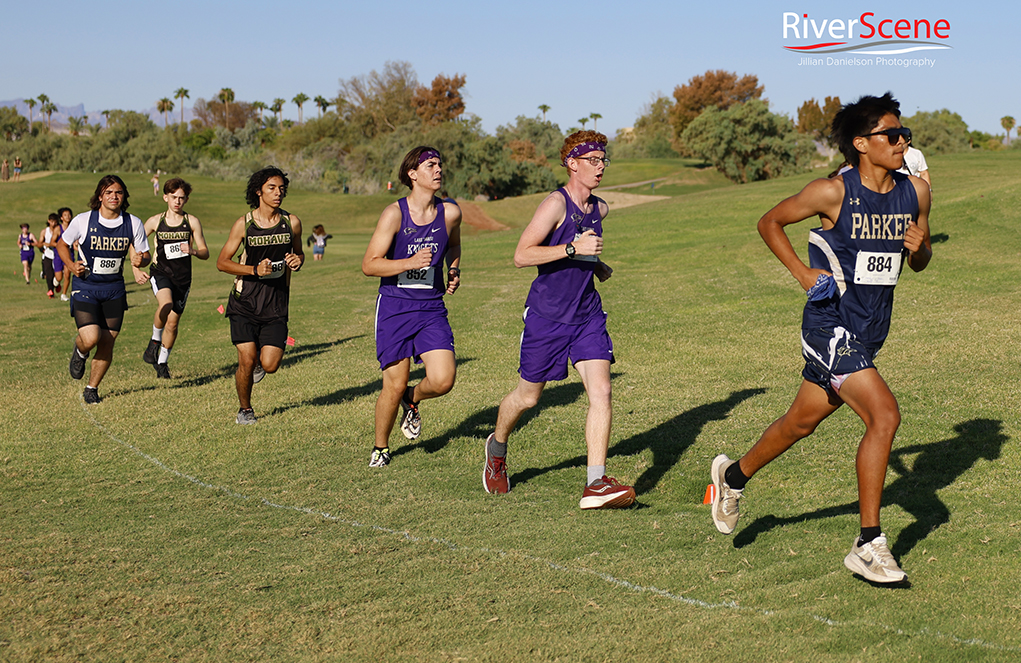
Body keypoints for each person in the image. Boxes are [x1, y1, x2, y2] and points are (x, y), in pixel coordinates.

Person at [709, 93, 932, 584]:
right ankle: (868, 544)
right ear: (861, 143)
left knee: (799, 424)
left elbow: (917, 260)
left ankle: (732, 478)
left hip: (871, 331)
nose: (902, 142)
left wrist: (921, 248)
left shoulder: (915, 192)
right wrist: (801, 273)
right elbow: (770, 222)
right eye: (891, 135)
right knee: (885, 415)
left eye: (904, 134)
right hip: (829, 326)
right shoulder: (832, 192)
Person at [483, 131, 635, 510]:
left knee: (601, 393)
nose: (600, 167)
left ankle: (595, 483)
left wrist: (594, 264)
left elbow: (581, 250)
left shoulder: (600, 210)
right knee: (528, 397)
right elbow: (522, 255)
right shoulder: (555, 203)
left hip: (586, 315)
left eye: (604, 160)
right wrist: (572, 248)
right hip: (547, 318)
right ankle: (497, 448)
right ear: (572, 163)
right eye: (592, 161)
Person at [361, 146, 462, 468]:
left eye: (440, 164)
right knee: (394, 383)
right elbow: (370, 265)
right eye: (431, 165)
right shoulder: (394, 214)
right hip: (395, 308)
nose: (438, 170)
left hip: (431, 308)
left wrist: (454, 269)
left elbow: (455, 242)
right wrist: (409, 262)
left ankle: (413, 398)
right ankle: (380, 447)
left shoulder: (450, 212)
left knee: (444, 380)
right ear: (412, 173)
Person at [216, 167, 304, 424]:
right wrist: (254, 269)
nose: (279, 193)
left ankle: (256, 365)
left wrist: (297, 260)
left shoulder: (292, 222)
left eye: (281, 188)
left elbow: (299, 254)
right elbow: (222, 262)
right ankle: (245, 409)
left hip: (276, 305)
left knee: (270, 364)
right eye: (272, 188)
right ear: (258, 192)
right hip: (244, 302)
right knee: (246, 358)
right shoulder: (244, 224)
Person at [59, 175, 151, 404]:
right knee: (90, 337)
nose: (114, 196)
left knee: (108, 341)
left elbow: (145, 255)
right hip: (86, 286)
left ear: (124, 196)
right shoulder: (83, 220)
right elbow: (62, 244)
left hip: (114, 289)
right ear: (100, 196)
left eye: (118, 192)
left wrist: (142, 260)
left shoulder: (133, 223)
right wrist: (71, 265)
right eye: (108, 192)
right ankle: (80, 351)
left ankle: (92, 388)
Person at [134, 178, 209, 379]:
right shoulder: (155, 221)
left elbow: (205, 252)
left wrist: (192, 250)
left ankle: (162, 363)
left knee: (173, 324)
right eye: (173, 197)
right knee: (165, 304)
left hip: (183, 279)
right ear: (165, 197)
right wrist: (136, 264)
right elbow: (135, 239)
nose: (177, 201)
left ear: (186, 200)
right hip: (161, 273)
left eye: (181, 198)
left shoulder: (191, 222)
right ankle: (153, 343)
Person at [39, 213, 61, 298]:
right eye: (51, 222)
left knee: (58, 274)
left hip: (58, 255)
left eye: (55, 222)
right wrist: (43, 248)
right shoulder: (45, 231)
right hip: (47, 255)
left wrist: (51, 244)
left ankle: (56, 284)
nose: (53, 224)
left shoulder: (59, 230)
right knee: (49, 274)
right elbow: (40, 243)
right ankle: (50, 291)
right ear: (49, 221)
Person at [56, 207, 74, 301]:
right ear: (61, 218)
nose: (68, 217)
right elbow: (52, 242)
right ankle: (57, 281)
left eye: (69, 215)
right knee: (59, 277)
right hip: (59, 254)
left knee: (67, 274)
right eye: (65, 215)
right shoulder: (58, 229)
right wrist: (61, 246)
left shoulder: (73, 227)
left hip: (69, 254)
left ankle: (64, 294)